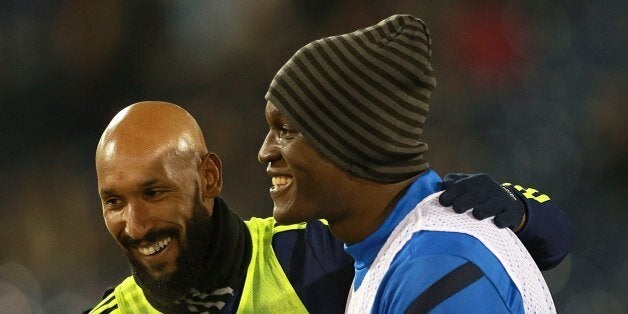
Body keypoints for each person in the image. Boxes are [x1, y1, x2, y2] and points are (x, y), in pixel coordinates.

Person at [87, 100, 572, 314]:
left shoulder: (311, 255)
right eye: (114, 202)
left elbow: (552, 238)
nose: (136, 224)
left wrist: (512, 206)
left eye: (154, 193)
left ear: (208, 178)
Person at [258, 14, 573, 313]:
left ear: (349, 142)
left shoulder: (436, 263)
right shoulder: (382, 246)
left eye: (285, 131)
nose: (265, 152)